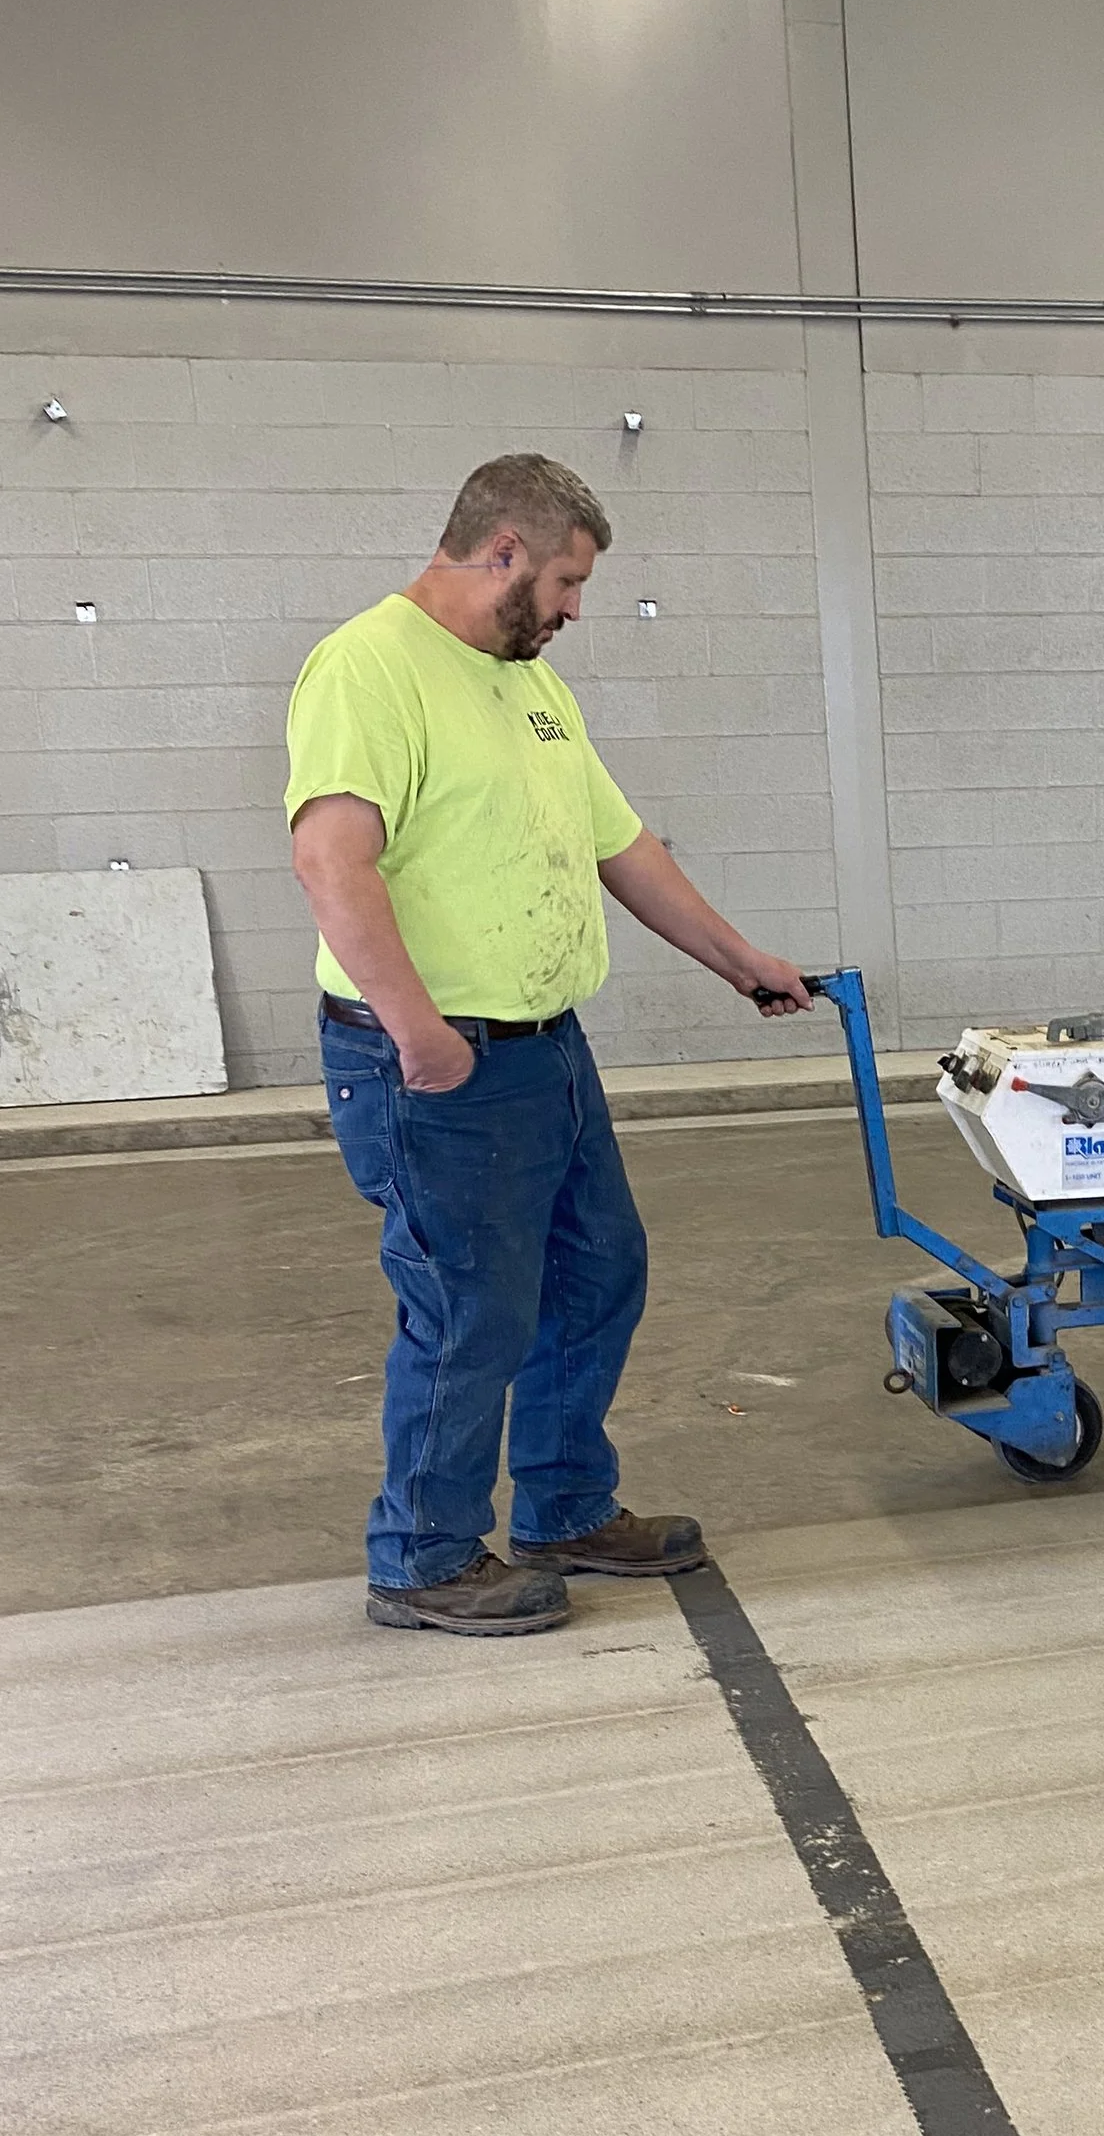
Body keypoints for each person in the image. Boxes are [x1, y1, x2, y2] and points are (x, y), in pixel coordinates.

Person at [286, 453, 812, 1634]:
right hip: (436, 1057)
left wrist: (742, 963)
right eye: (568, 581)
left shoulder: (530, 686)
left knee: (594, 1272)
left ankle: (565, 1506)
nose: (576, 609)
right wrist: (420, 1037)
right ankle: (420, 1558)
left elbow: (619, 846)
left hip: (544, 1048)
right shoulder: (369, 668)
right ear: (505, 552)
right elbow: (331, 860)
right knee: (470, 1308)